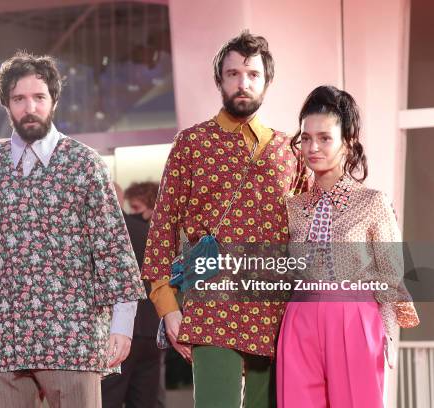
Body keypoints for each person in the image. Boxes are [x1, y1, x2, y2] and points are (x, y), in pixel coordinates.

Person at [0, 51, 146, 408]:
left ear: (53, 100)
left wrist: (122, 325)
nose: (30, 107)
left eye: (39, 97)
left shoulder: (83, 162)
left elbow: (113, 248)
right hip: (7, 337)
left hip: (73, 335)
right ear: (6, 105)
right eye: (19, 99)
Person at [141, 30, 306, 407]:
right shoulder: (191, 144)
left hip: (274, 307)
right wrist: (167, 307)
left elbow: (307, 229)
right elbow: (163, 227)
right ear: (219, 80)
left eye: (252, 75)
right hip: (212, 304)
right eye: (233, 74)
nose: (242, 83)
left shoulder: (287, 150)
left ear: (267, 82)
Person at [276, 85, 420, 407]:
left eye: (325, 138)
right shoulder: (292, 208)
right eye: (306, 138)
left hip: (356, 323)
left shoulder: (373, 203)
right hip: (297, 322)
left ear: (348, 141)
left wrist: (389, 335)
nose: (313, 147)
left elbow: (391, 276)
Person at [103, 183, 165, 408]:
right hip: (150, 331)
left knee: (108, 398)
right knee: (145, 401)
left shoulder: (103, 233)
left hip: (115, 331)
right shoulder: (146, 231)